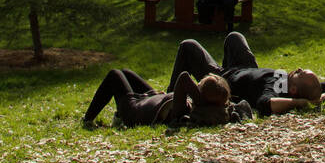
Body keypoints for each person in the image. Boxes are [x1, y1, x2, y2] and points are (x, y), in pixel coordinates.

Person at [166, 31, 325, 117]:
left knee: (188, 45)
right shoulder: (296, 85)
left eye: (300, 73)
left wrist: (301, 104)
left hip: (224, 78)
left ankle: (170, 97)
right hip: (245, 68)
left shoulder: (276, 88)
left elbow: (266, 104)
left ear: (294, 90)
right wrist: (323, 96)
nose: (297, 69)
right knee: (234, 37)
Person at [82, 69, 230, 128]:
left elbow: (184, 77)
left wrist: (199, 99)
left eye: (199, 85)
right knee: (126, 73)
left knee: (114, 75)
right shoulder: (195, 106)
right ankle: (115, 116)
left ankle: (87, 120)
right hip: (153, 100)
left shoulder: (183, 109)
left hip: (134, 111)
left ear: (200, 95)